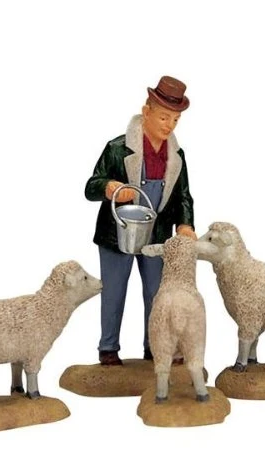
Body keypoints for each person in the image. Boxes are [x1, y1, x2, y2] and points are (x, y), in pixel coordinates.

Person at [85, 76, 197, 366]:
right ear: (146, 112)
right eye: (163, 117)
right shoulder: (117, 148)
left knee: (157, 294)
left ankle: (155, 346)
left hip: (156, 234)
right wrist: (108, 187)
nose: (169, 125)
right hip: (117, 232)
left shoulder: (176, 156)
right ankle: (108, 348)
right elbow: (91, 186)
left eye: (175, 119)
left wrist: (185, 225)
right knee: (114, 292)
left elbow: (183, 196)